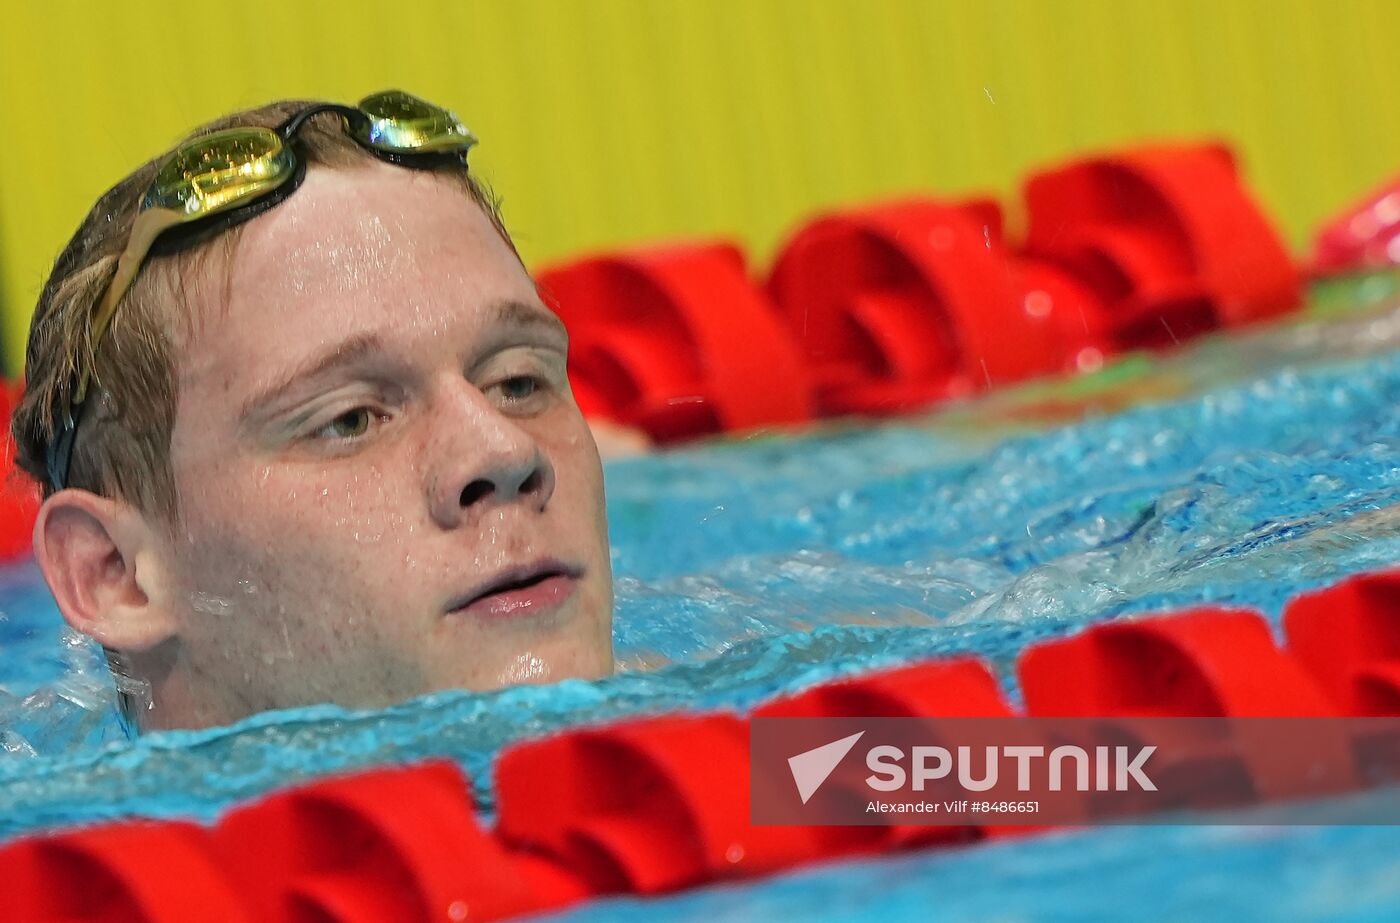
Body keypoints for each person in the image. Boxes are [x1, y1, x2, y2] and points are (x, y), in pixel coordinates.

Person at [9, 91, 616, 733]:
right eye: (349, 420)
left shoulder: (736, 750)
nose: (507, 453)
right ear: (115, 575)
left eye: (518, 383)